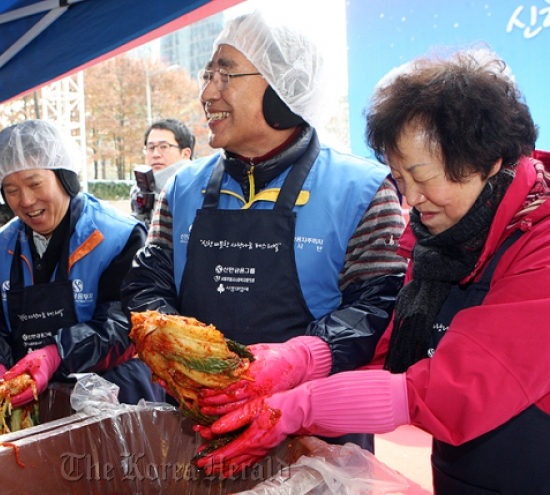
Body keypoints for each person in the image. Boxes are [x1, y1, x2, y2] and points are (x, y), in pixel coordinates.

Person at [194, 48, 550, 494]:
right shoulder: (442, 239)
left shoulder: (541, 242)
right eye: (402, 180)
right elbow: (393, 353)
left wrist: (297, 409)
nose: (412, 200)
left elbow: (456, 386)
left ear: (489, 161)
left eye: (424, 177)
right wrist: (301, 359)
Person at [121, 9, 406, 453]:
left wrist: (298, 361)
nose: (206, 92)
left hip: (318, 440)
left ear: (283, 87)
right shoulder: (182, 188)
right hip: (199, 427)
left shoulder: (362, 189)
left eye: (225, 75)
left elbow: (376, 310)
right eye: (206, 74)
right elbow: (148, 283)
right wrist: (180, 353)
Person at [0, 119, 163, 406]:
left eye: (34, 183)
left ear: (65, 178)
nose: (27, 200)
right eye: (12, 190)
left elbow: (126, 324)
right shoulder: (0, 247)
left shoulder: (118, 235)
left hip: (115, 396)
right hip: (29, 397)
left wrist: (56, 354)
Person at [130, 118, 195, 226]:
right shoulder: (138, 193)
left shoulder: (195, 191)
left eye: (164, 147)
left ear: (185, 154)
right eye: (151, 147)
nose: (155, 154)